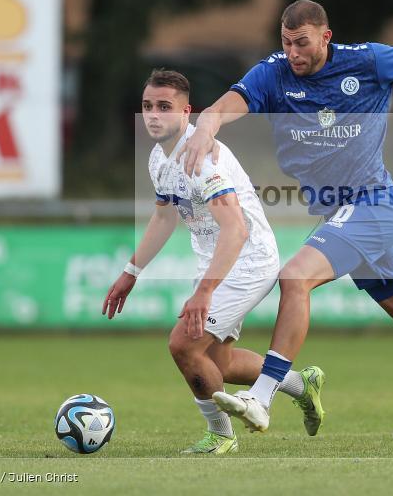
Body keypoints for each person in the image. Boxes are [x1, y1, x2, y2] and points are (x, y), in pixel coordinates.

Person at [178, 0, 393, 447]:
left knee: (295, 277)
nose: (294, 53)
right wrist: (207, 124)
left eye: (302, 43)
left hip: (373, 205)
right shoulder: (275, 72)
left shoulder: (367, 60)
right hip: (342, 213)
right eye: (286, 43)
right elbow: (228, 104)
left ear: (325, 37)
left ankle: (262, 396)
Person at [102, 69, 326, 455]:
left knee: (183, 346)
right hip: (216, 260)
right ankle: (299, 385)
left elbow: (236, 230)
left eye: (164, 107)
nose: (153, 115)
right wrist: (131, 271)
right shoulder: (159, 157)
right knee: (217, 364)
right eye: (147, 106)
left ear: (187, 112)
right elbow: (164, 216)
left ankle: (221, 434)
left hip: (248, 258)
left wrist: (205, 290)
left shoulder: (203, 159)